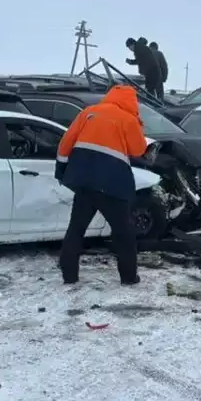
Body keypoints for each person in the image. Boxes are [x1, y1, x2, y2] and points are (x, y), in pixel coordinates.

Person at [55, 84, 146, 285]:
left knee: (76, 229)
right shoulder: (128, 119)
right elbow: (138, 150)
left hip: (84, 181)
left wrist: (61, 169)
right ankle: (129, 277)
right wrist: (138, 124)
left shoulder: (89, 112)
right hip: (112, 184)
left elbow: (66, 142)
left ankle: (69, 275)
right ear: (132, 102)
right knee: (123, 233)